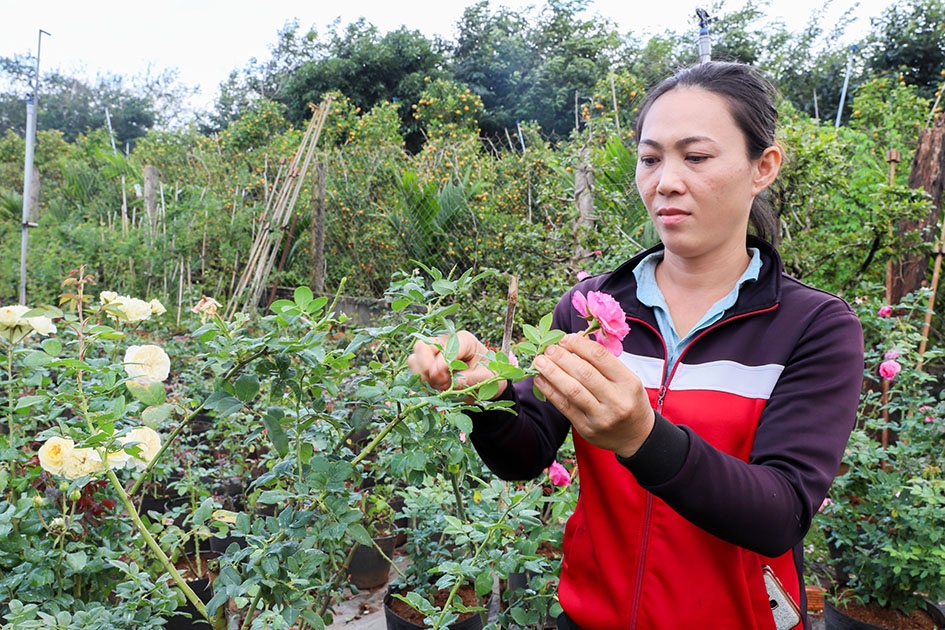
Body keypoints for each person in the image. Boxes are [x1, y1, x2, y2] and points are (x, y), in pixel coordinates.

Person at [408, 61, 864, 630]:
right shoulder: (591, 309)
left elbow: (781, 512)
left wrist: (642, 439)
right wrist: (486, 397)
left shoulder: (811, 326)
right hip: (592, 617)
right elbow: (525, 455)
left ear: (762, 167)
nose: (665, 181)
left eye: (696, 157)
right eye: (650, 159)